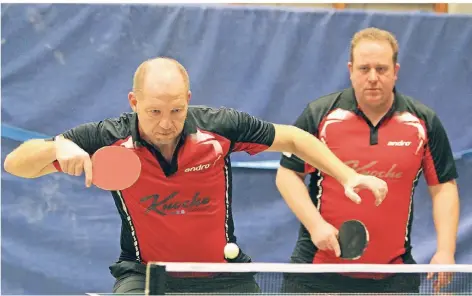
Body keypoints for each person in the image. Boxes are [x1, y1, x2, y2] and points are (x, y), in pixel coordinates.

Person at [4, 57, 388, 294]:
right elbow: (15, 165)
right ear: (134, 102)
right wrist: (56, 146)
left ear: (188, 98)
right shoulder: (107, 138)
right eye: (154, 112)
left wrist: (347, 175)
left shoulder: (219, 128)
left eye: (176, 110)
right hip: (148, 277)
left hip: (224, 277)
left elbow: (293, 137)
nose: (167, 123)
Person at [276, 27, 460, 294]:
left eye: (382, 69)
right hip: (316, 272)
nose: (373, 78)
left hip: (393, 275)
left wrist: (445, 250)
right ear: (350, 70)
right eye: (364, 69)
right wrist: (316, 226)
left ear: (396, 71)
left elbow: (443, 187)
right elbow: (287, 174)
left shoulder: (423, 122)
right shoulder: (321, 115)